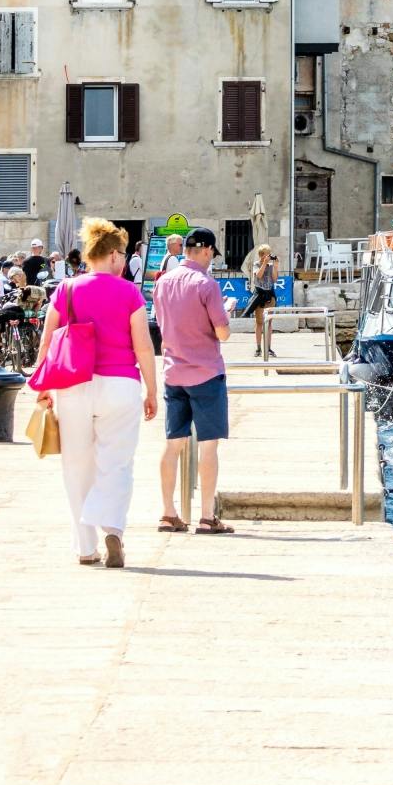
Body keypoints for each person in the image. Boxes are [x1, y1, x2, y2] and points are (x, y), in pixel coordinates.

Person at [39, 217, 157, 568]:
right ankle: (113, 530)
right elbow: (144, 347)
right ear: (114, 256)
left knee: (76, 464)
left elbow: (47, 341)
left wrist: (43, 388)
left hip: (74, 384)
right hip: (121, 385)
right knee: (117, 464)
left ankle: (85, 548)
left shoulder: (66, 289)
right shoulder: (129, 292)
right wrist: (152, 389)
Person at [153, 227, 233, 535]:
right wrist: (226, 310)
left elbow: (162, 324)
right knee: (208, 446)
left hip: (174, 372)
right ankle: (206, 516)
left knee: (173, 444)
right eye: (212, 252)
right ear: (207, 250)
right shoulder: (206, 284)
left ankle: (168, 512)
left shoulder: (163, 283)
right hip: (206, 373)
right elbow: (222, 332)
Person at [240, 245, 279, 363]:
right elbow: (259, 275)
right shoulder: (256, 264)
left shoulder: (271, 265)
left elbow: (275, 279)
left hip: (270, 296)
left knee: (269, 322)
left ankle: (268, 347)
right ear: (261, 255)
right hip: (259, 296)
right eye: (266, 254)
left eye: (269, 254)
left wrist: (275, 266)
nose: (268, 256)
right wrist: (264, 264)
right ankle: (258, 347)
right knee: (259, 322)